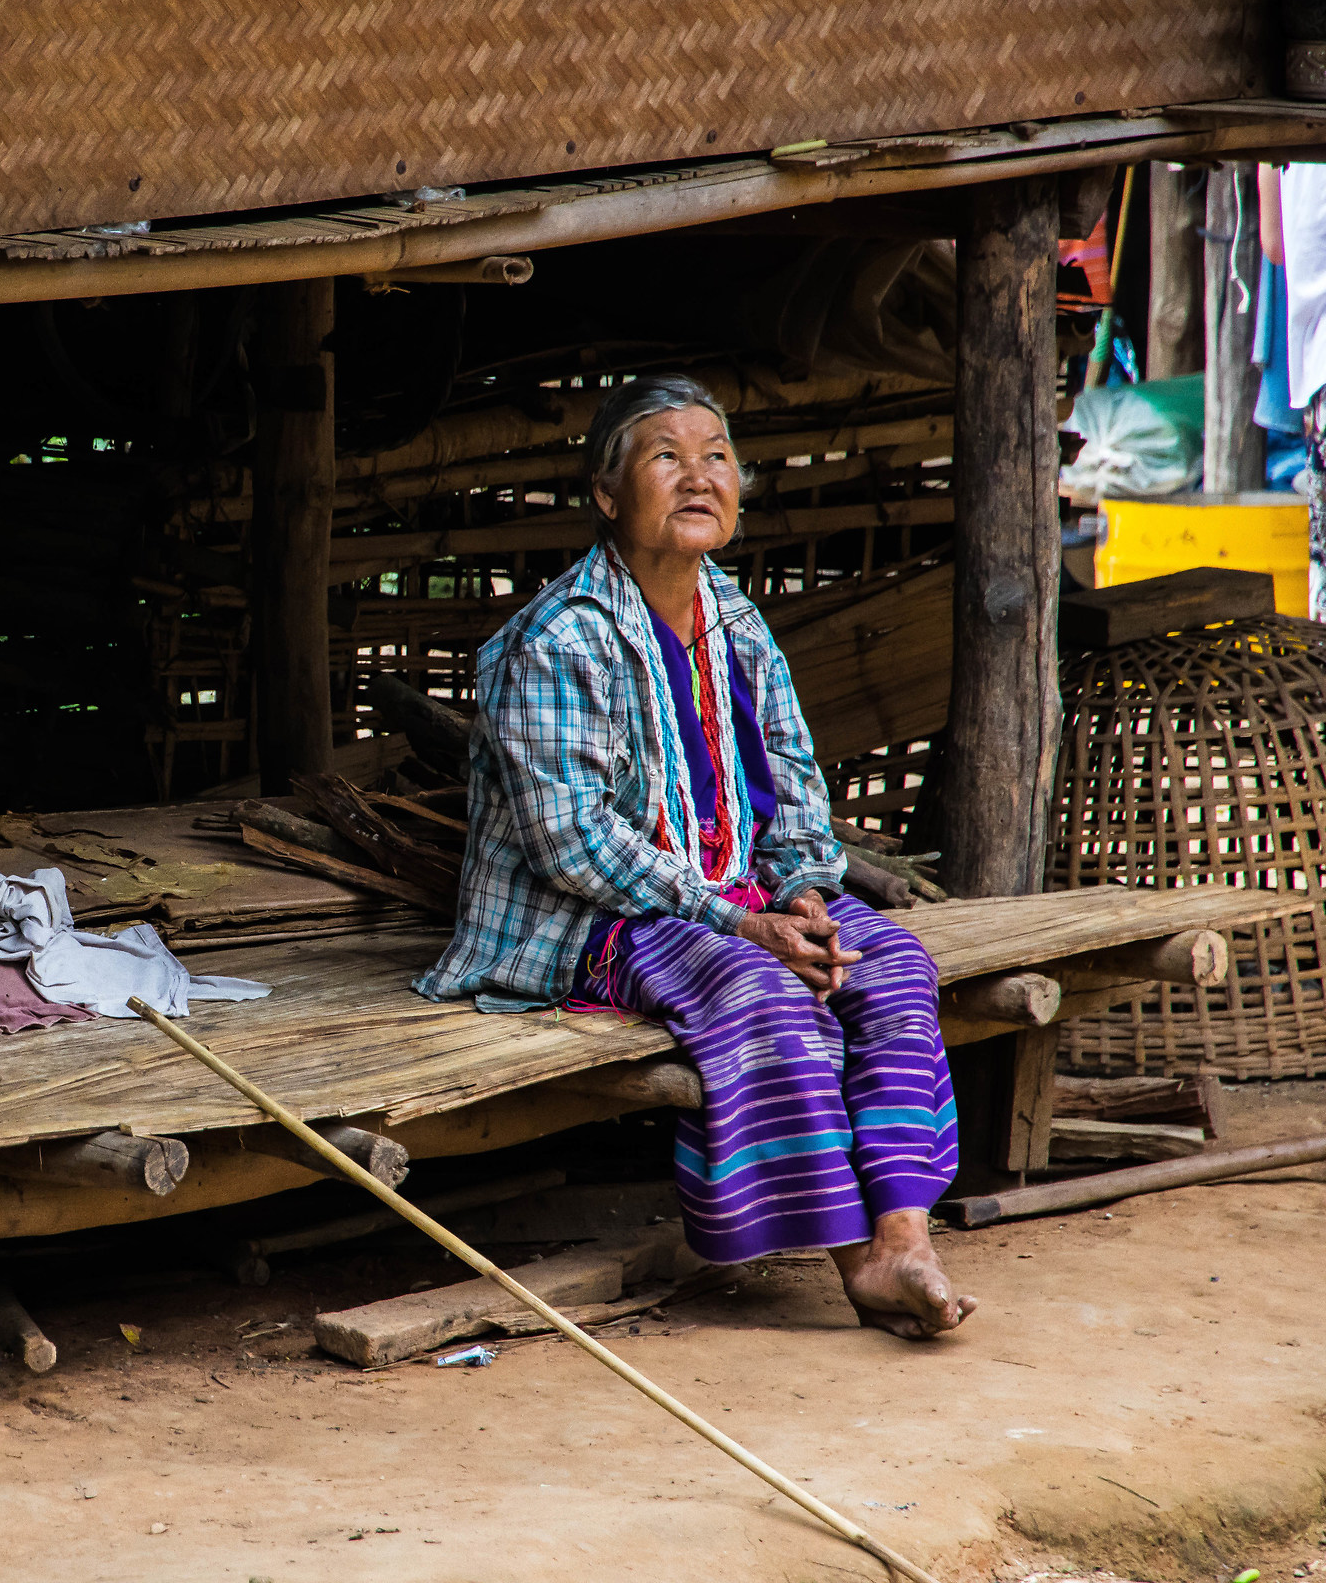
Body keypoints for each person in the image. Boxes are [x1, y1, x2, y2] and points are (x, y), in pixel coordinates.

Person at [416, 375, 973, 1340]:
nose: (697, 476)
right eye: (664, 456)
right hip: (591, 919)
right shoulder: (555, 638)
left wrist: (800, 891)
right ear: (605, 493)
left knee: (886, 968)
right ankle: (859, 1264)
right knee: (765, 989)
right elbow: (573, 841)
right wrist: (740, 921)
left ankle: (903, 1235)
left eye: (714, 455)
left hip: (736, 896)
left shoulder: (736, 623)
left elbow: (794, 780)